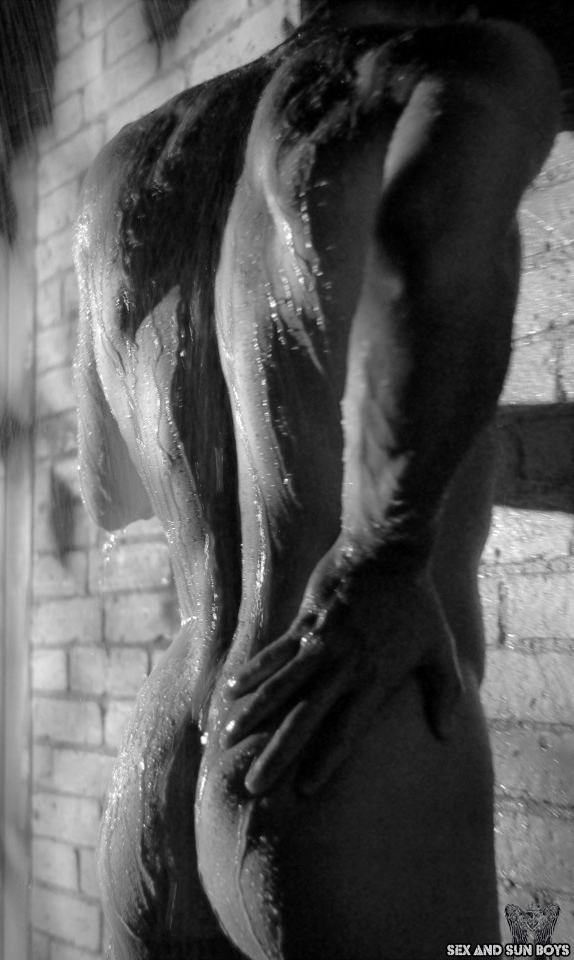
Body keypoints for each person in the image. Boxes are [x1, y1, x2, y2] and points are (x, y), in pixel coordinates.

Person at [74, 3, 560, 957]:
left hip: (162, 758)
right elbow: (426, 246)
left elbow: (110, 491)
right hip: (332, 734)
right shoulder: (447, 64)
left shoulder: (122, 170)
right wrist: (385, 551)